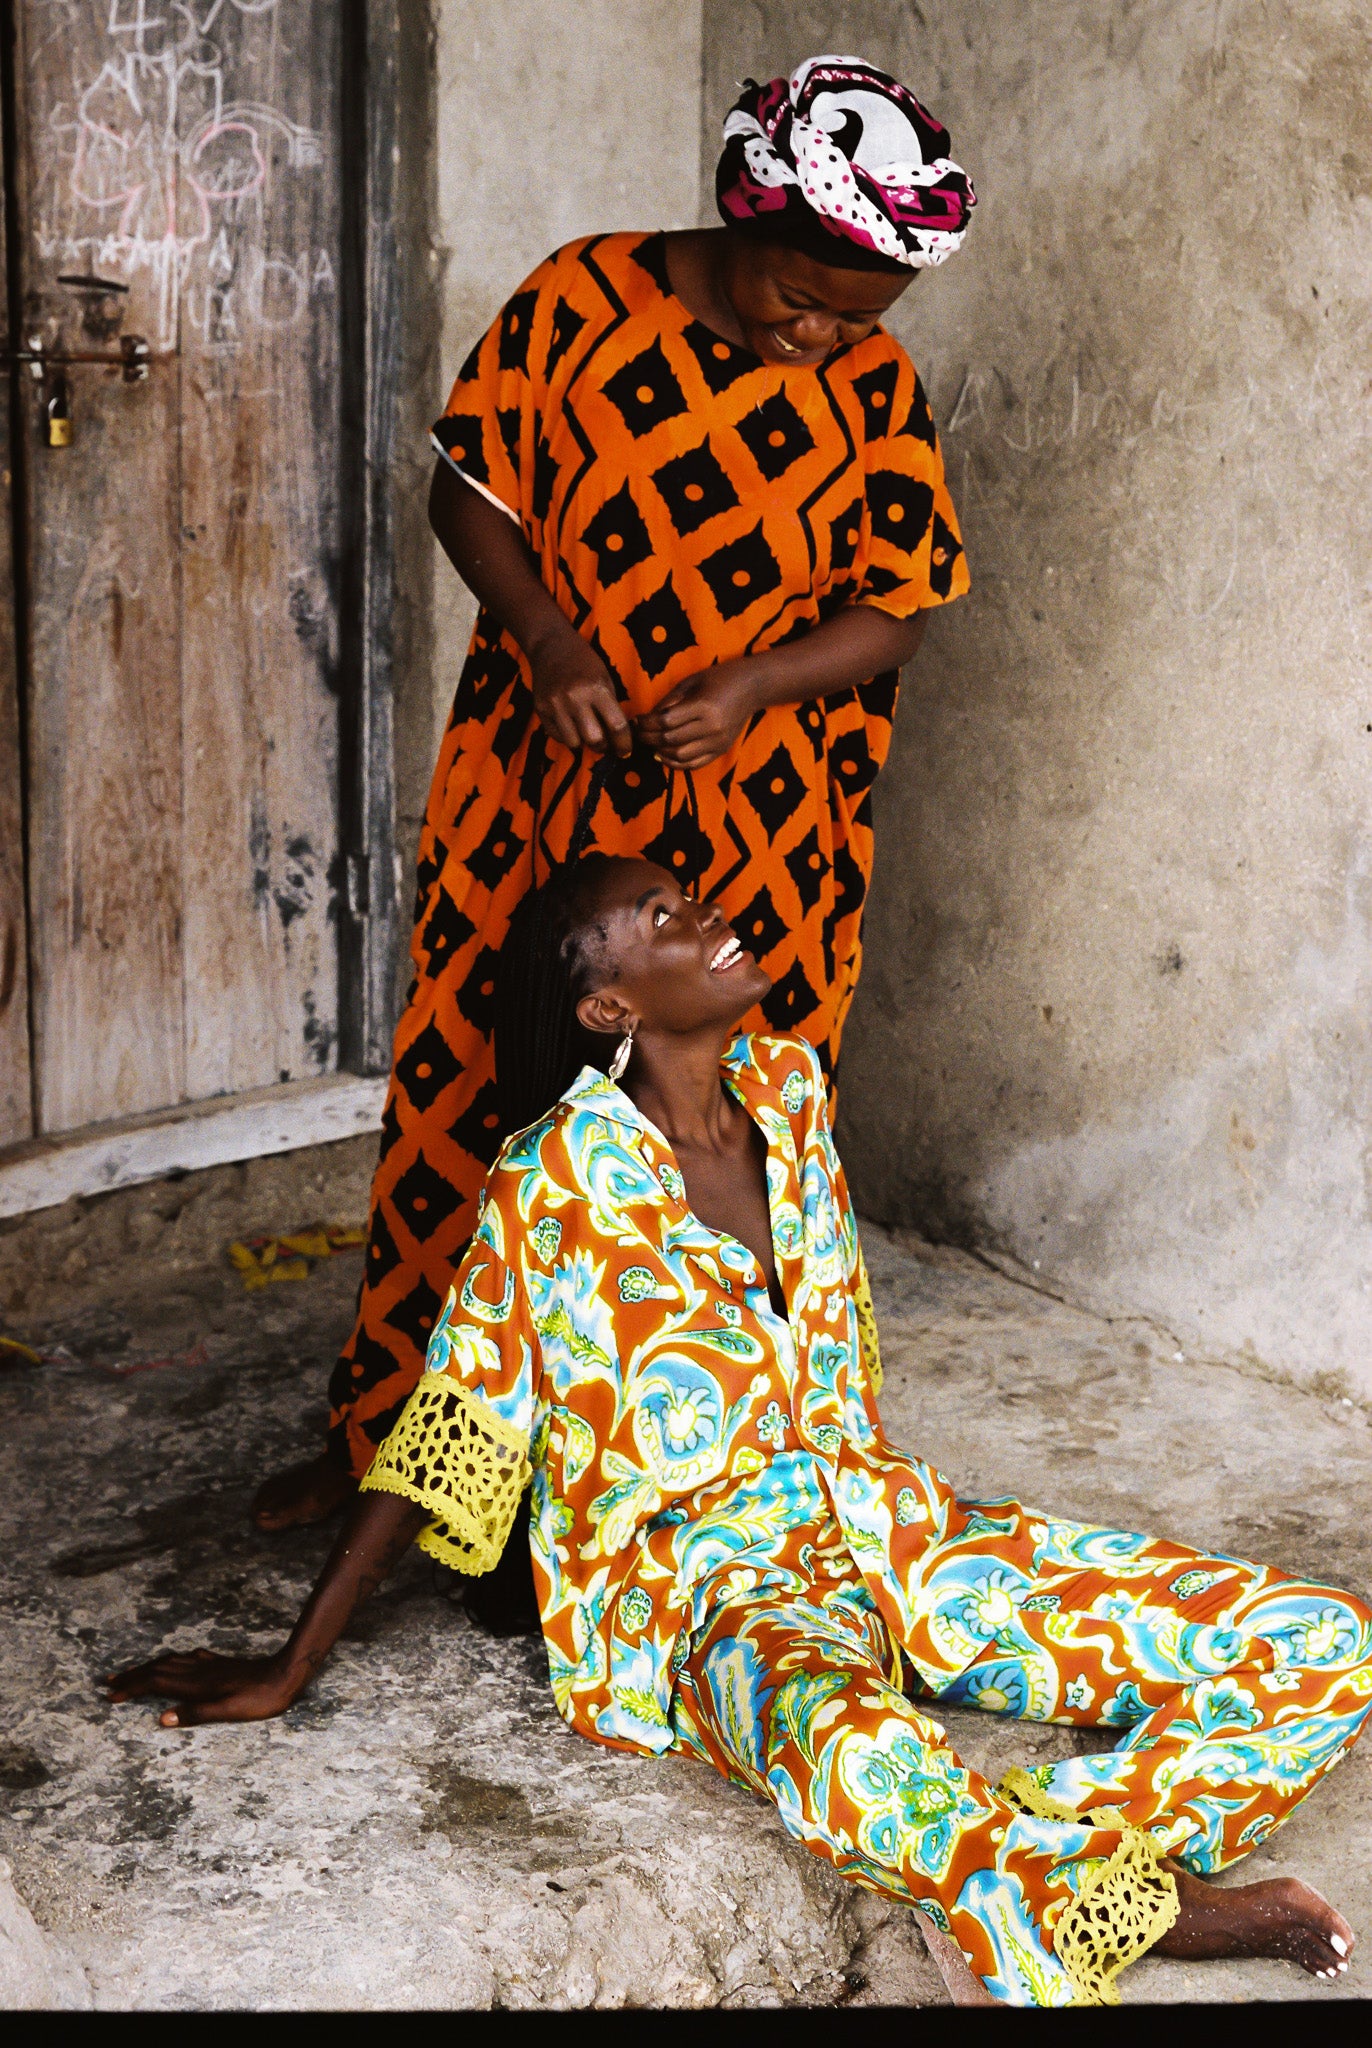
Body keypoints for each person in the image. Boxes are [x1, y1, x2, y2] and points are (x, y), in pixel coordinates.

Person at [111, 855, 1367, 2007]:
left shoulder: (791, 1089)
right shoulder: (554, 1179)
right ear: (610, 1010)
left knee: (1323, 1637)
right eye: (659, 920)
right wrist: (291, 1662)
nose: (705, 917)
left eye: (688, 897)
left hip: (886, 1529)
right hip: (709, 1591)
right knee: (847, 1742)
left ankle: (1055, 1835)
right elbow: (456, 1422)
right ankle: (1143, 1904)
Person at [252, 53, 977, 1530]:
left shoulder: (875, 382)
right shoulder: (581, 302)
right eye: (804, 301)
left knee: (723, 1132)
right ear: (746, 218)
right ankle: (413, 1461)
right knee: (487, 1101)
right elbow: (469, 487)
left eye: (856, 325)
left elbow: (899, 602)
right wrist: (553, 640)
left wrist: (760, 682)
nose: (821, 343)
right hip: (553, 795)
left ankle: (678, 1478)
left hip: (759, 831)